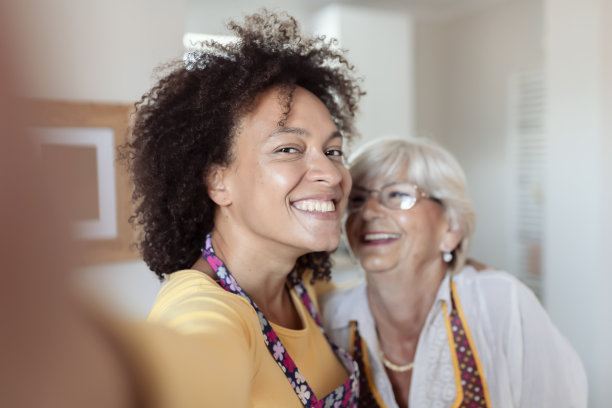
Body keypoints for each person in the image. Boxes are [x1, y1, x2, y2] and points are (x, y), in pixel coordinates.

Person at [124, 10, 363, 407]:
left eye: (333, 151)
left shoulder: (305, 285)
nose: (333, 174)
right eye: (289, 149)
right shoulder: (203, 309)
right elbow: (189, 368)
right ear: (218, 181)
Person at [321, 137, 587, 407]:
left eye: (398, 195)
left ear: (451, 228)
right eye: (357, 199)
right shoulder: (328, 317)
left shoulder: (501, 303)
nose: (368, 211)